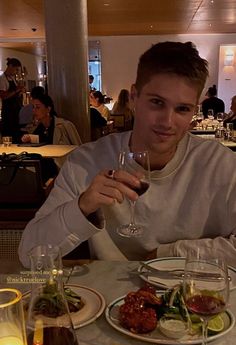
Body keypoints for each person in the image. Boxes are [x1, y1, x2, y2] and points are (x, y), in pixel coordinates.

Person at [19, 41, 236, 268]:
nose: (167, 122)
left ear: (194, 110)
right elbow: (28, 254)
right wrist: (83, 206)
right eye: (157, 102)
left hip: (197, 296)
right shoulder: (85, 162)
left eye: (182, 109)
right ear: (133, 97)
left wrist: (171, 253)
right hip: (108, 297)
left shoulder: (222, 165)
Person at [0, 57, 25, 142]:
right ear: (10, 66)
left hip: (16, 112)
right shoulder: (2, 79)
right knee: (9, 135)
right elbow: (3, 96)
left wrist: (20, 92)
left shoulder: (13, 78)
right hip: (8, 113)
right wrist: (16, 90)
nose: (17, 72)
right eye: (16, 69)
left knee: (17, 135)